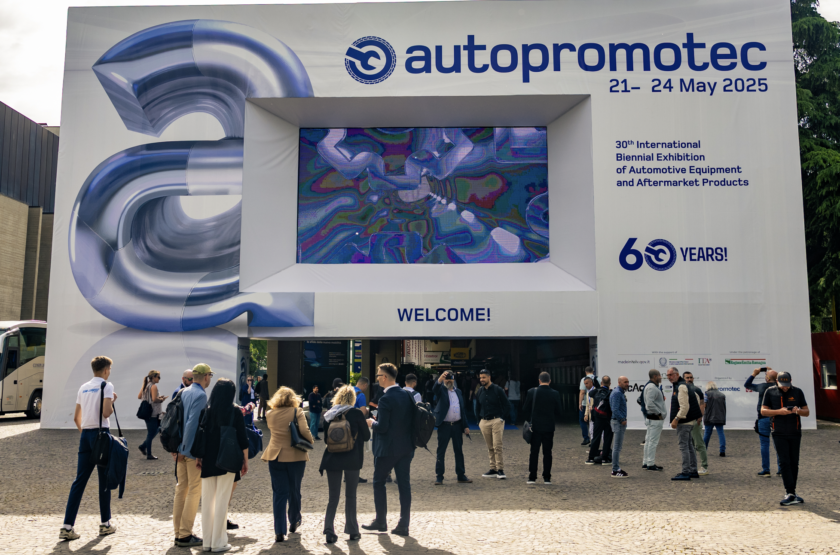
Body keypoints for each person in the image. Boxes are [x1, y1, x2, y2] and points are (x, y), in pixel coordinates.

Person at [60, 356, 118, 541]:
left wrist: (85, 434)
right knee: (104, 480)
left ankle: (67, 526)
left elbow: (76, 417)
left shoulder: (83, 387)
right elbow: (106, 413)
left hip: (85, 435)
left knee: (79, 481)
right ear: (106, 370)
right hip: (101, 435)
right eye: (109, 369)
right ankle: (105, 524)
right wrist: (112, 400)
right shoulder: (107, 386)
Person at [362, 363, 415, 536]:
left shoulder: (385, 399)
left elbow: (382, 427)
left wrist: (371, 423)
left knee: (379, 482)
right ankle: (404, 524)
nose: (377, 379)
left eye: (378, 376)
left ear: (384, 377)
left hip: (387, 449)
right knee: (404, 485)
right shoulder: (407, 395)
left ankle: (381, 521)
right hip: (406, 447)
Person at [197, 379, 249, 553]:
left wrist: (198, 456)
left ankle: (207, 541)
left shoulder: (207, 411)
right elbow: (242, 438)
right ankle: (218, 542)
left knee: (207, 501)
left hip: (208, 459)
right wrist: (245, 460)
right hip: (228, 459)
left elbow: (201, 436)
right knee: (221, 500)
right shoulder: (234, 412)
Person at [319, 385, 370, 543]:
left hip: (332, 458)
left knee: (333, 497)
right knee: (351, 495)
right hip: (352, 458)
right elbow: (367, 436)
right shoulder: (356, 413)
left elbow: (326, 439)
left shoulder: (330, 414)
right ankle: (353, 530)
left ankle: (329, 530)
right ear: (353, 399)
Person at [262, 386, 314, 542]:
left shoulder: (270, 414)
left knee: (279, 493)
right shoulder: (296, 412)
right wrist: (310, 441)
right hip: (295, 456)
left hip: (275, 456)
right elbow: (304, 430)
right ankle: (294, 520)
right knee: (294, 490)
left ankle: (279, 531)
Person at [173, 363, 213, 548]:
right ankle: (185, 534)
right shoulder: (200, 395)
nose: (210, 379)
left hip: (180, 448)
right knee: (194, 490)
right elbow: (192, 424)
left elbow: (176, 421)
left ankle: (178, 532)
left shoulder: (184, 391)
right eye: (210, 376)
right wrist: (185, 450)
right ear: (205, 377)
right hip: (190, 451)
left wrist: (177, 448)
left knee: (181, 489)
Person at [761, 372, 810, 505]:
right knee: (784, 462)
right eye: (782, 385)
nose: (785, 387)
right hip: (778, 432)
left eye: (787, 385)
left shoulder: (798, 391)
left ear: (791, 381)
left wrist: (797, 411)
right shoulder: (770, 391)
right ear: (777, 381)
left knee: (794, 462)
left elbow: (807, 412)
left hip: (795, 432)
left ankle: (792, 493)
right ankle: (789, 492)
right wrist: (779, 411)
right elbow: (763, 411)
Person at [521, 372, 562, 484]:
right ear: (550, 381)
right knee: (547, 452)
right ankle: (547, 477)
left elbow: (525, 409)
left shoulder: (531, 392)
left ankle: (532, 476)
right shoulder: (555, 393)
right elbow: (559, 411)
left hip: (535, 426)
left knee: (534, 452)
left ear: (539, 380)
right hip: (549, 427)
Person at [432, 371, 472, 485]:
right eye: (447, 379)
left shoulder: (458, 392)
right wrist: (440, 379)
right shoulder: (441, 390)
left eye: (451, 379)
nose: (449, 381)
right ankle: (439, 476)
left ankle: (461, 475)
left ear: (454, 380)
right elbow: (435, 389)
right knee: (441, 451)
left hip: (457, 426)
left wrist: (466, 426)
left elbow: (462, 410)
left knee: (459, 451)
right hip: (444, 426)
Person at [745, 367, 782, 477]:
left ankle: (766, 470)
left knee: (764, 444)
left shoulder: (762, 387)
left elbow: (747, 385)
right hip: (777, 418)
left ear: (767, 378)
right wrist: (772, 373)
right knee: (778, 444)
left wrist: (754, 373)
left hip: (763, 417)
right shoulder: (780, 387)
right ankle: (781, 469)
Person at [475, 368, 510, 479]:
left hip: (496, 421)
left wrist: (502, 418)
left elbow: (507, 404)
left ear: (489, 377)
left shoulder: (498, 390)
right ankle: (493, 468)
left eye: (484, 377)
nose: (482, 379)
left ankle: (500, 469)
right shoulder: (480, 391)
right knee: (490, 446)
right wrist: (479, 421)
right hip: (484, 422)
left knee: (497, 446)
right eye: (480, 378)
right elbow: (477, 407)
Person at [667, 367, 702, 481]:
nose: (669, 377)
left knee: (684, 447)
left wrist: (676, 419)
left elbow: (684, 406)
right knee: (689, 446)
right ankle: (693, 470)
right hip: (689, 421)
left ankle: (686, 472)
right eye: (667, 375)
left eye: (671, 375)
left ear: (677, 375)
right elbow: (696, 398)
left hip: (684, 421)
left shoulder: (681, 386)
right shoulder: (684, 385)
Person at [138, 370, 167, 460]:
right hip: (153, 413)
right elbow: (154, 399)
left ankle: (143, 446)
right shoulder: (153, 386)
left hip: (147, 412)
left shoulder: (146, 385)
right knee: (151, 433)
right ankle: (149, 454)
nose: (159, 379)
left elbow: (139, 397)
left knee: (156, 430)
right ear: (153, 377)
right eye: (158, 377)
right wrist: (161, 399)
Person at [684, 372, 709, 475]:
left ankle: (704, 466)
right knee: (690, 445)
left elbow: (702, 404)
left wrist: (700, 417)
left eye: (691, 377)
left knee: (699, 444)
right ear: (683, 379)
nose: (689, 379)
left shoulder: (697, 390)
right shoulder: (683, 390)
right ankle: (692, 466)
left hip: (695, 421)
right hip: (686, 421)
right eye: (687, 377)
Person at [641, 369, 666, 471]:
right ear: (655, 376)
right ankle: (650, 463)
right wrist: (659, 413)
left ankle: (646, 462)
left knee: (649, 441)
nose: (661, 377)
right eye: (660, 375)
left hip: (652, 418)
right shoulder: (652, 387)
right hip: (655, 419)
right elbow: (649, 404)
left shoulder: (651, 386)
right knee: (652, 442)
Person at [586, 376, 613, 465]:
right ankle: (605, 458)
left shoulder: (596, 391)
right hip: (608, 418)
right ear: (610, 383)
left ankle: (591, 458)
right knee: (607, 438)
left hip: (597, 418)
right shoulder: (611, 392)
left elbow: (590, 394)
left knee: (596, 437)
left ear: (601, 383)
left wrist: (598, 387)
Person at [609, 376, 629, 478]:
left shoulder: (619, 392)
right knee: (616, 447)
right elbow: (615, 409)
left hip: (618, 422)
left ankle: (616, 468)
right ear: (619, 382)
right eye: (625, 382)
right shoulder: (617, 393)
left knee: (618, 447)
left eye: (628, 382)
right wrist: (622, 419)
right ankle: (615, 469)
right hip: (618, 422)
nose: (627, 384)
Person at [703, 382, 727, 456]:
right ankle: (722, 451)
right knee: (721, 433)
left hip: (709, 417)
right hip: (720, 417)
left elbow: (704, 405)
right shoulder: (722, 395)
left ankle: (703, 450)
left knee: (707, 433)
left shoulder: (707, 394)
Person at [578, 370, 595, 445]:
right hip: (595, 406)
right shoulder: (598, 378)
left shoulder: (583, 379)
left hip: (586, 403)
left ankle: (586, 438)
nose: (585, 385)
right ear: (593, 371)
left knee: (582, 420)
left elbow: (582, 392)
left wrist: (580, 403)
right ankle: (594, 440)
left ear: (585, 372)